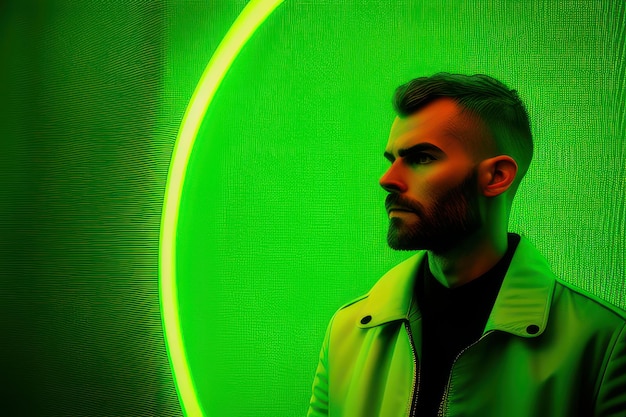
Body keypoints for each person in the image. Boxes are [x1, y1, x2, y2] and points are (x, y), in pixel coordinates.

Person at [306, 73, 626, 417]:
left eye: (422, 157)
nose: (388, 179)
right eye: (392, 159)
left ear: (496, 176)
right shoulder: (349, 330)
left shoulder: (604, 343)